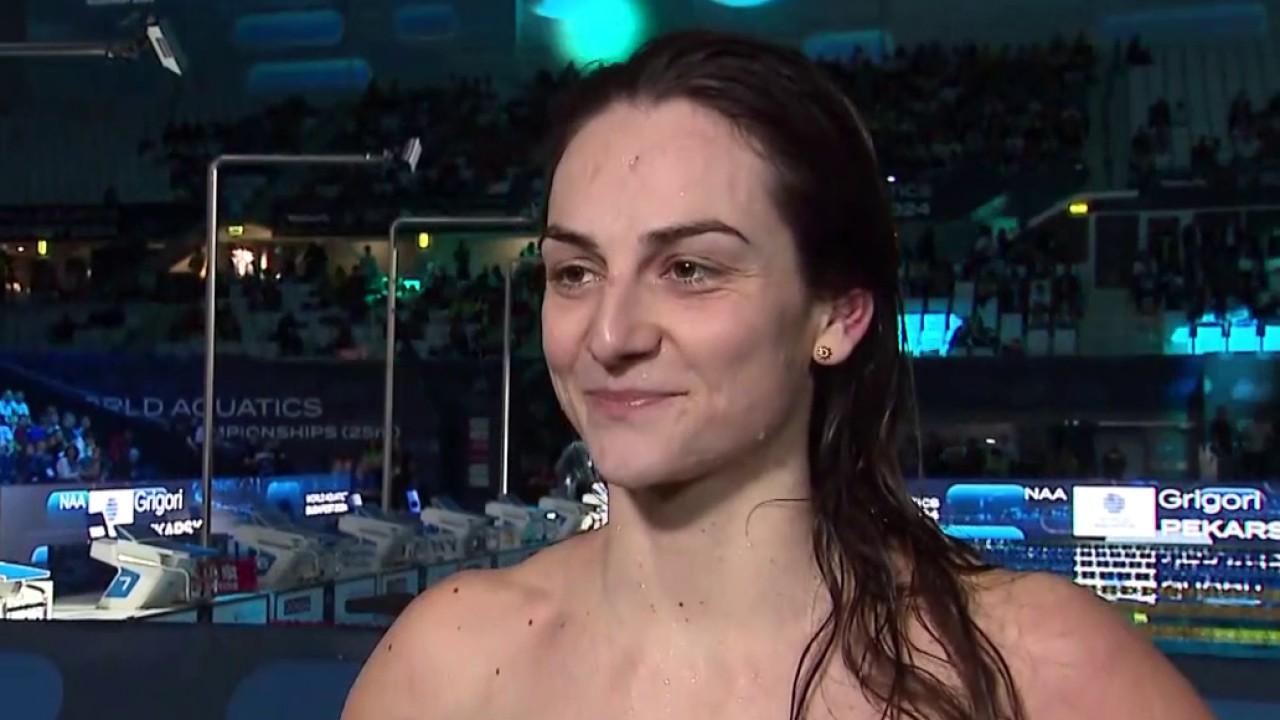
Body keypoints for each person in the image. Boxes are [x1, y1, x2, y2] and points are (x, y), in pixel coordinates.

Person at [343, 31, 1211, 720]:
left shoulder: (1039, 670)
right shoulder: (447, 665)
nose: (608, 334)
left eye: (689, 269)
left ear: (836, 314)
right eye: (575, 272)